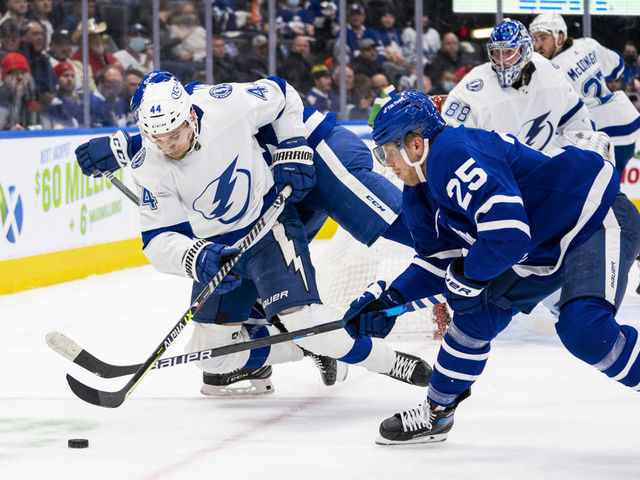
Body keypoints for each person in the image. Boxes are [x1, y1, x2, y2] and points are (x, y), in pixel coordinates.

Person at [73, 71, 431, 396]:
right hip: (220, 248)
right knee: (209, 358)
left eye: (177, 133)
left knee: (302, 317)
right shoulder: (148, 166)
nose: (171, 145)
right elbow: (158, 240)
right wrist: (196, 258)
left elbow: (282, 91)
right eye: (160, 138)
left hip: (268, 223)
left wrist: (292, 144)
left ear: (192, 116)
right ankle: (307, 345)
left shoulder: (225, 106)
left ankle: (387, 359)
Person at [345, 88, 640, 445]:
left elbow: (508, 234)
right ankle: (438, 412)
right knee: (475, 316)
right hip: (540, 246)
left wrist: (467, 277)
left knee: (586, 331)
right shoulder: (418, 192)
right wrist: (391, 299)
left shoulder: (452, 154)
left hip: (591, 216)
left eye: (388, 151)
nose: (386, 163)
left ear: (415, 144)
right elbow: (436, 262)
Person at [442, 19, 594, 153]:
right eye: (497, 52)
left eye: (509, 51)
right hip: (496, 177)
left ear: (525, 50)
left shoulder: (549, 73)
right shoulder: (473, 88)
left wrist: (563, 153)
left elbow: (577, 122)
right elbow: (450, 144)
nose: (502, 60)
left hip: (542, 170)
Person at [529, 13, 640, 176]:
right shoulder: (587, 44)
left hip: (599, 136)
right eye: (535, 39)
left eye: (543, 38)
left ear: (560, 37)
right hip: (625, 122)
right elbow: (617, 67)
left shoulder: (550, 71)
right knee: (605, 192)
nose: (538, 44)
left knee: (599, 194)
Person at [47, 60, 82, 128]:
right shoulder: (54, 104)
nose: (70, 79)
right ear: (56, 79)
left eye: (72, 76)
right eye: (65, 76)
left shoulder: (79, 101)